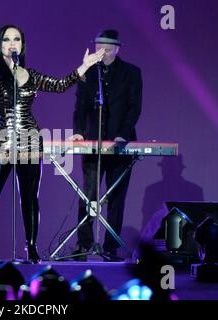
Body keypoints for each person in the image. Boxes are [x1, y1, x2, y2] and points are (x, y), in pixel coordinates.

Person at [0, 25, 105, 263]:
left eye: (17, 39)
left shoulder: (31, 75)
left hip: (29, 140)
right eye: (7, 39)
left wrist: (85, 65)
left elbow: (60, 85)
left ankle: (32, 247)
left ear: (22, 46)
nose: (12, 43)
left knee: (29, 196)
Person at [69, 29, 142, 261]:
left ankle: (111, 247)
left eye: (108, 49)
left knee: (116, 196)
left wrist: (122, 134)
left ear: (117, 49)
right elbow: (79, 106)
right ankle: (84, 244)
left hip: (119, 143)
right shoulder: (88, 72)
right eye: (100, 48)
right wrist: (79, 132)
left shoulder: (131, 72)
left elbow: (134, 107)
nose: (104, 53)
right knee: (88, 194)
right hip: (93, 140)